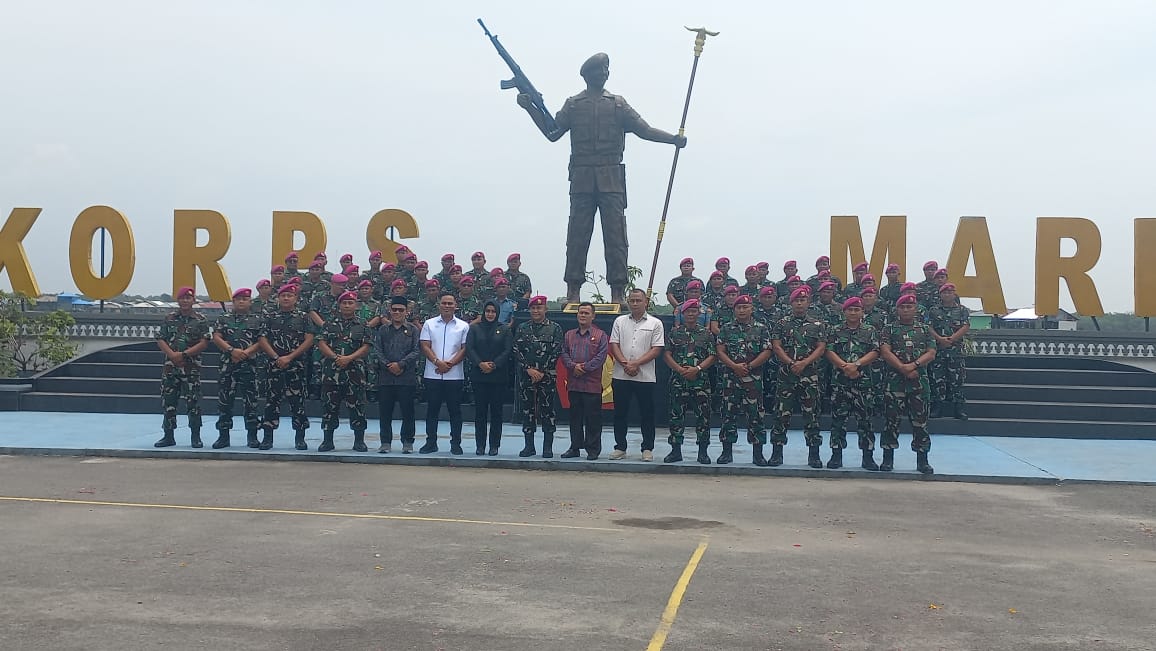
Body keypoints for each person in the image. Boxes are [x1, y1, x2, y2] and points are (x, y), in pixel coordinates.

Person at [517, 52, 687, 304]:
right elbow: (553, 132)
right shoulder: (573, 105)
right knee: (577, 236)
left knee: (616, 236)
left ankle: (618, 291)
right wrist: (530, 107)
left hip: (611, 179)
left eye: (606, 69)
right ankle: (573, 290)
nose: (604, 73)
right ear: (587, 75)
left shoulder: (618, 104)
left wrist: (672, 139)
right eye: (599, 70)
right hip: (582, 178)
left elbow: (645, 130)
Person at [770, 287, 828, 468]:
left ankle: (814, 455)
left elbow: (821, 347)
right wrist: (791, 363)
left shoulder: (817, 325)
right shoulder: (782, 323)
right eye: (796, 300)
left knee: (811, 415)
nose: (800, 303)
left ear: (808, 303)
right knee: (781, 415)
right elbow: (776, 346)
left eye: (803, 300)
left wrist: (804, 363)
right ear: (791, 303)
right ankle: (777, 453)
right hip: (786, 375)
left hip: (809, 376)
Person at [880, 294, 938, 474]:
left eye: (909, 307)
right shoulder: (889, 329)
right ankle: (887, 459)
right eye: (902, 307)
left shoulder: (924, 329)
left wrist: (914, 365)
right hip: (895, 382)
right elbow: (885, 351)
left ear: (915, 309)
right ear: (897, 310)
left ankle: (922, 460)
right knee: (891, 421)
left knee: (920, 423)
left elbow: (931, 353)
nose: (906, 310)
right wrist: (902, 368)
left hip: (918, 382)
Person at [715, 295, 773, 465]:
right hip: (731, 379)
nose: (741, 310)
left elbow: (767, 351)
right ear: (734, 310)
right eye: (738, 307)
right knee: (728, 415)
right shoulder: (726, 328)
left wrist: (749, 366)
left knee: (756, 415)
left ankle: (758, 454)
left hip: (753, 379)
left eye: (745, 307)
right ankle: (726, 452)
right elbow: (720, 350)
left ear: (751, 309)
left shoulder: (761, 328)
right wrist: (734, 366)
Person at [824, 296, 881, 470]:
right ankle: (836, 455)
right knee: (838, 421)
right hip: (840, 382)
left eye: (857, 310)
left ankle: (868, 457)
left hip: (863, 382)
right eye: (850, 310)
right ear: (844, 312)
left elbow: (875, 351)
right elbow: (829, 351)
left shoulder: (870, 330)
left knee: (865, 421)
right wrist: (845, 367)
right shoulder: (835, 330)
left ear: (862, 312)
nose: (853, 313)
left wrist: (856, 365)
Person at [608, 289, 665, 461]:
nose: (634, 304)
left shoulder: (655, 323)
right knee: (620, 413)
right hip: (621, 374)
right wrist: (625, 363)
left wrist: (636, 363)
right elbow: (614, 344)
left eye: (638, 300)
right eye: (632, 300)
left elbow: (657, 349)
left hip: (645, 377)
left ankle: (647, 448)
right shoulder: (619, 321)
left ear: (645, 302)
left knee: (647, 413)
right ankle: (620, 447)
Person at [258, 284, 314, 451]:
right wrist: (276, 357)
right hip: (274, 365)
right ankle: (267, 437)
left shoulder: (303, 317)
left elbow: (309, 339)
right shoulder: (269, 316)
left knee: (298, 402)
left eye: (290, 295)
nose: (286, 298)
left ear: (296, 298)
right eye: (283, 295)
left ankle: (300, 438)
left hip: (296, 365)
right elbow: (262, 339)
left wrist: (290, 357)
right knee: (271, 402)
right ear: (278, 298)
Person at [315, 291, 373, 452]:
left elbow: (367, 346)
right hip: (332, 373)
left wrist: (349, 358)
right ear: (339, 305)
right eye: (344, 303)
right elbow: (321, 343)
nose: (347, 305)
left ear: (356, 305)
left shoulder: (363, 324)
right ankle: (327, 441)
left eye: (350, 303)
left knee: (357, 407)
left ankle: (359, 441)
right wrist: (335, 357)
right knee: (329, 407)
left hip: (355, 372)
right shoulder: (329, 323)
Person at [154, 286, 210, 448]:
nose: (185, 301)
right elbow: (160, 338)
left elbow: (204, 342)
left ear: (193, 300)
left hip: (191, 367)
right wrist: (172, 355)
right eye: (182, 298)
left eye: (188, 298)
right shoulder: (169, 318)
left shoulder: (201, 319)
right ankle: (168, 436)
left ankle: (195, 437)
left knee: (193, 403)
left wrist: (184, 354)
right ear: (177, 300)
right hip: (170, 368)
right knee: (169, 402)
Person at [661, 299, 716, 464]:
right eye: (688, 312)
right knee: (676, 417)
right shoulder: (674, 333)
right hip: (679, 381)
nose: (691, 314)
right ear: (683, 314)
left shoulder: (706, 334)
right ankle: (675, 451)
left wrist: (697, 369)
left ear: (699, 313)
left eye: (694, 311)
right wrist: (680, 370)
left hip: (700, 382)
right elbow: (667, 355)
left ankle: (703, 452)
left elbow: (713, 356)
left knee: (703, 418)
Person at [210, 288, 265, 449]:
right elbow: (217, 337)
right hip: (228, 365)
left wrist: (246, 353)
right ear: (233, 302)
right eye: (238, 299)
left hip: (250, 365)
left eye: (245, 299)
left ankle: (252, 436)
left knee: (251, 402)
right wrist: (231, 350)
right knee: (225, 402)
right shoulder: (224, 318)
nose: (241, 302)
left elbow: (262, 340)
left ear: (250, 302)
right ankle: (223, 436)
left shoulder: (258, 319)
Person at [512, 295, 564, 457]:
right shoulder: (522, 328)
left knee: (548, 411)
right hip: (527, 376)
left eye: (539, 308)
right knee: (527, 411)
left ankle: (547, 447)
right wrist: (529, 369)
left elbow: (557, 351)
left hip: (547, 377)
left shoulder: (555, 328)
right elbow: (516, 350)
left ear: (545, 309)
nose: (536, 311)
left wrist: (542, 371)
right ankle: (529, 446)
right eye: (533, 308)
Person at [419, 292, 470, 454]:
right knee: (432, 410)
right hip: (432, 374)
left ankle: (456, 444)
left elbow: (465, 349)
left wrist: (450, 364)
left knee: (455, 411)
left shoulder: (463, 326)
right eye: (444, 303)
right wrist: (437, 362)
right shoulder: (429, 324)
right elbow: (425, 345)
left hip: (454, 375)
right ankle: (430, 442)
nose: (447, 306)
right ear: (439, 305)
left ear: (456, 306)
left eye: (450, 303)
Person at [560, 302, 609, 460]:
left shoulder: (600, 335)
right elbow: (564, 353)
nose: (583, 315)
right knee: (575, 418)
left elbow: (601, 357)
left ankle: (593, 450)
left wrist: (584, 368)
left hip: (592, 385)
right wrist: (573, 366)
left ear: (593, 316)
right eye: (581, 312)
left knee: (593, 419)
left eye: (586, 313)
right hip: (574, 384)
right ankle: (574, 447)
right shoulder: (569, 335)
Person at [374, 296, 421, 453]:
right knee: (385, 413)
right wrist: (389, 365)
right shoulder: (383, 330)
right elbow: (377, 350)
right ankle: (385, 442)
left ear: (407, 312)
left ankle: (407, 442)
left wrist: (400, 364)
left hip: (406, 377)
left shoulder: (413, 330)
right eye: (394, 310)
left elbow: (416, 350)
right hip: (386, 378)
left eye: (401, 310)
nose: (397, 312)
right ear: (390, 311)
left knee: (408, 412)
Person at [467, 301, 514, 455]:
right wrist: (480, 363)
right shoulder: (474, 328)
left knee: (496, 413)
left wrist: (494, 364)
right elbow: (470, 348)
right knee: (480, 413)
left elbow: (507, 350)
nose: (490, 314)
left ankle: (494, 445)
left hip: (498, 377)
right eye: (487, 311)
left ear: (497, 313)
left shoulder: (504, 329)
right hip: (479, 376)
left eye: (493, 311)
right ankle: (480, 445)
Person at [928, 283, 971, 420]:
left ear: (954, 294)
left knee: (957, 380)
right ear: (940, 295)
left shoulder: (962, 310)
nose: (947, 295)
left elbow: (965, 326)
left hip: (955, 351)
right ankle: (938, 407)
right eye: (944, 292)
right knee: (937, 379)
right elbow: (928, 327)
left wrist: (952, 339)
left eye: (950, 292)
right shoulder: (933, 310)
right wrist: (940, 339)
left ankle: (958, 408)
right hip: (938, 350)